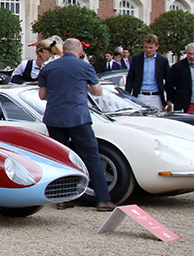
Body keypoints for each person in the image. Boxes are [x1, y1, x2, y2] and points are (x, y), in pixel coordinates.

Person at [37, 38, 114, 211]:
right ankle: (103, 199)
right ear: (79, 51)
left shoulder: (48, 67)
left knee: (60, 158)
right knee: (91, 156)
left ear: (63, 50)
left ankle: (63, 198)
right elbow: (98, 91)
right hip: (78, 117)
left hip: (55, 117)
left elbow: (42, 95)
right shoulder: (85, 66)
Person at [164, 41, 194, 114]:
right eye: (189, 54)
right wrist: (176, 100)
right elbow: (169, 85)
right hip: (187, 106)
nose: (191, 56)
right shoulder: (178, 67)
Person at [124, 33, 168, 112]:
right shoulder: (137, 60)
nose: (148, 50)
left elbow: (168, 79)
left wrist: (169, 99)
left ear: (156, 47)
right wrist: (128, 96)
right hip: (140, 95)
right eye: (146, 47)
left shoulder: (162, 61)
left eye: (151, 48)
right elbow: (130, 78)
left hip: (156, 97)